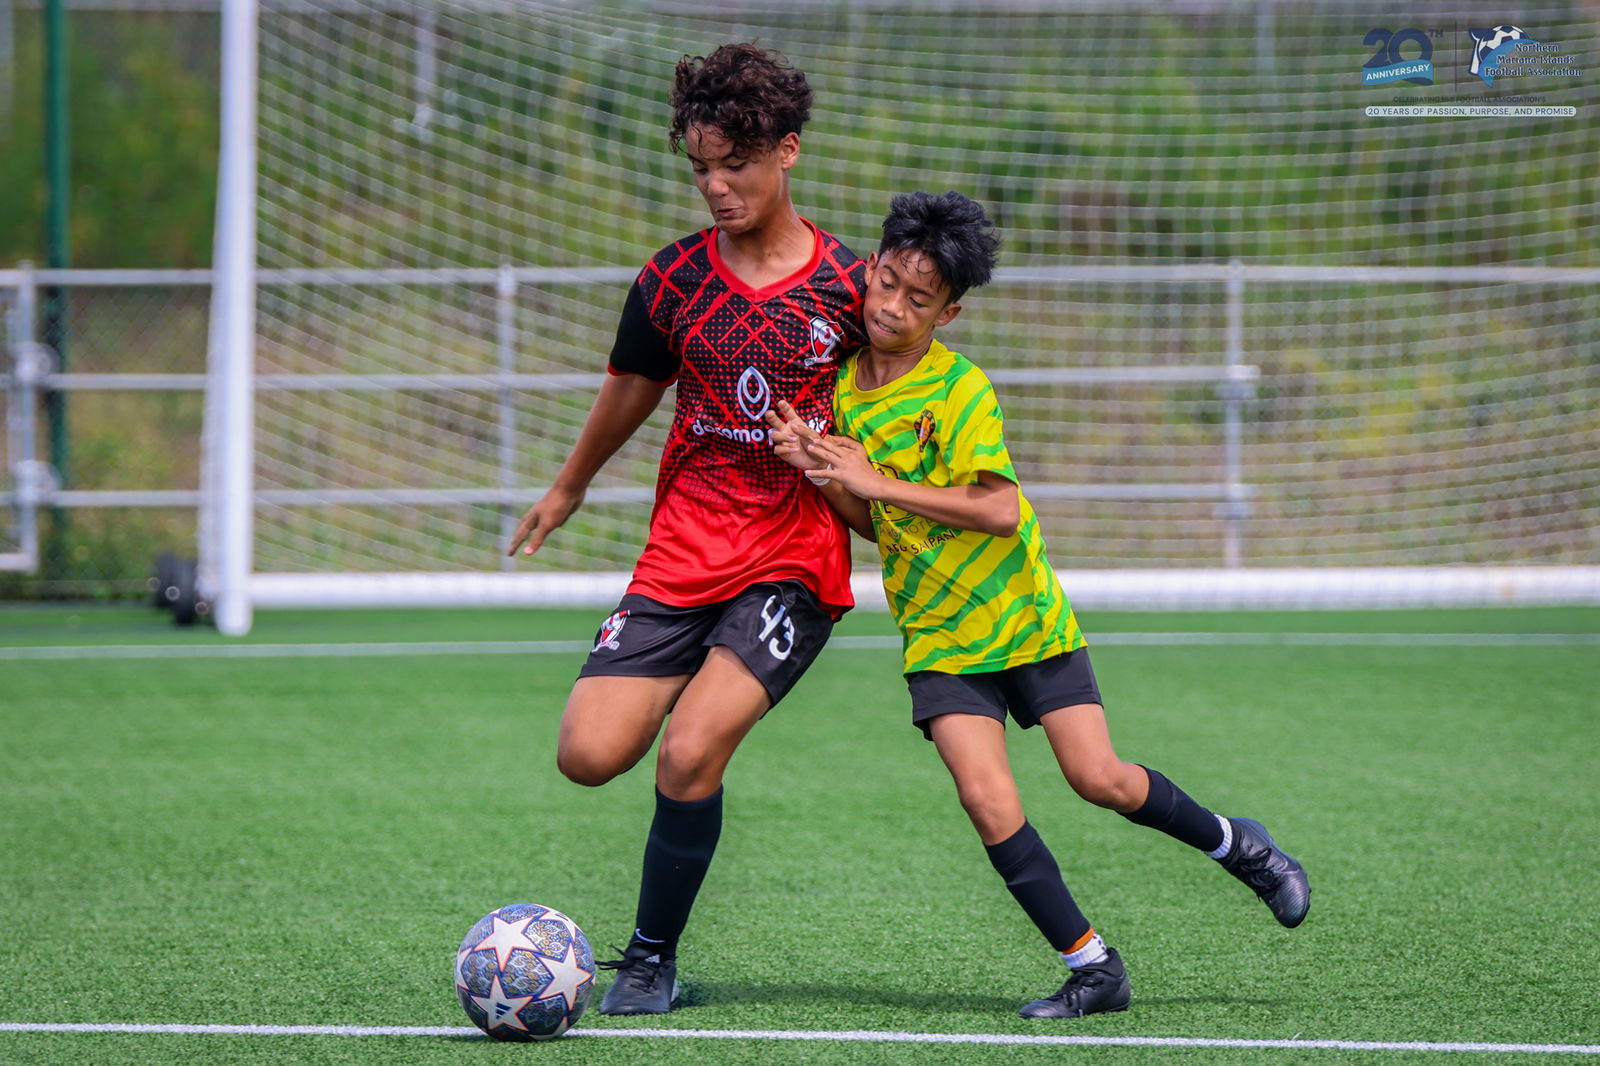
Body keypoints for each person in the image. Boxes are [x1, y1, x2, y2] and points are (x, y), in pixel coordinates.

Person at [766, 190, 1310, 1020]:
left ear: (949, 312)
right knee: (987, 801)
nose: (893, 308)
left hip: (1021, 616)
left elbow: (998, 508)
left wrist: (873, 477)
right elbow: (878, 524)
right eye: (887, 284)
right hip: (940, 633)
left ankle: (1241, 847)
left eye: (920, 300)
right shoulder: (842, 391)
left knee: (1101, 780)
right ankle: (1094, 967)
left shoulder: (959, 391)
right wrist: (826, 474)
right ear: (869, 272)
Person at [505, 43, 867, 1016]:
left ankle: (651, 958)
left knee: (688, 750)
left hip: (792, 558)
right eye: (699, 167)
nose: (714, 185)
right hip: (683, 550)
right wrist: (569, 485)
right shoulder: (669, 281)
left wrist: (868, 496)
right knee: (587, 755)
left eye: (733, 165)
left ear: (786, 151)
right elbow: (631, 384)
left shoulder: (851, 290)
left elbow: (906, 416)